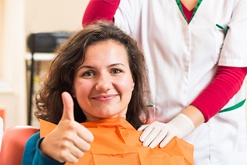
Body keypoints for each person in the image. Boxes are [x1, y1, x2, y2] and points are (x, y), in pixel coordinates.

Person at [82, 1, 247, 164]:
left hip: (214, 138)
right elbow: (96, 28)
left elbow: (233, 72)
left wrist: (179, 126)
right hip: (150, 133)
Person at [22, 21, 194, 165]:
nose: (103, 85)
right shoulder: (44, 144)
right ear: (71, 86)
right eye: (88, 73)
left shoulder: (165, 143)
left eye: (116, 71)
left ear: (133, 80)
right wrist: (47, 156)